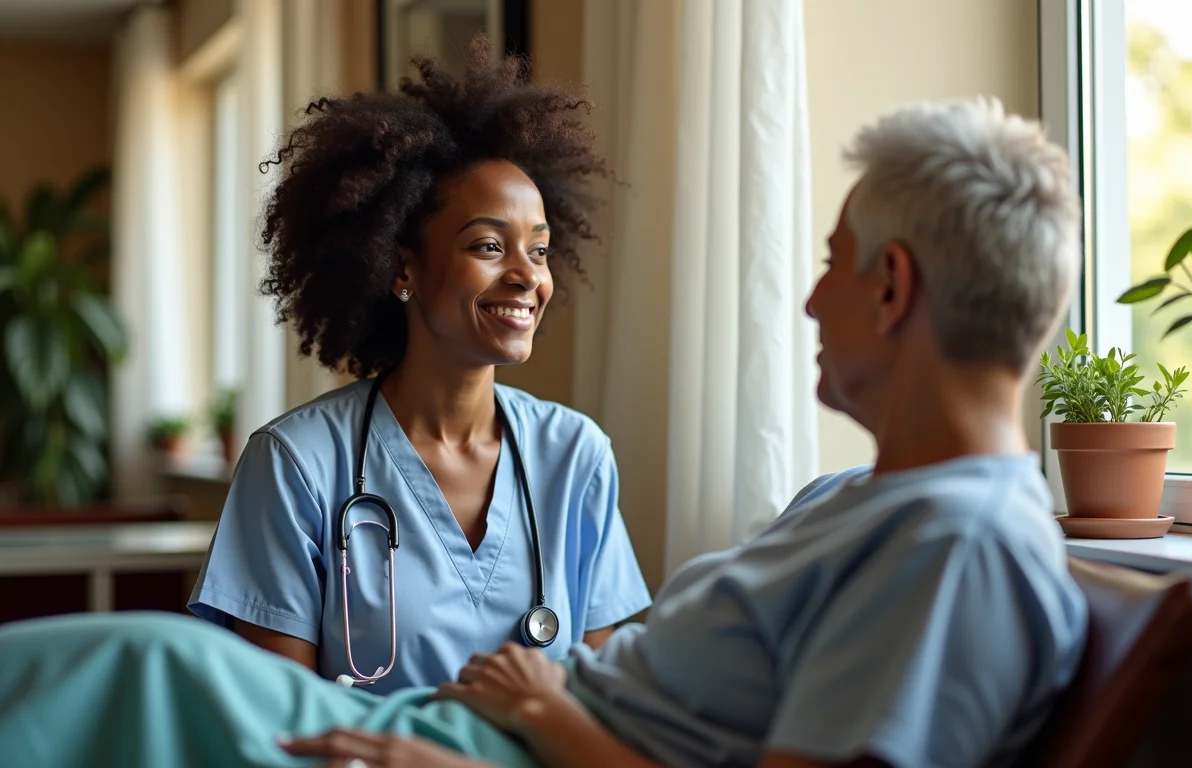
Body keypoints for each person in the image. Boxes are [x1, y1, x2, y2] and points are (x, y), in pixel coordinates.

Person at [0, 96, 1088, 768]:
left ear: (891, 287)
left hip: (443, 749)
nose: (807, 302)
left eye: (829, 265)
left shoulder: (956, 546)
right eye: (488, 246)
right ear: (400, 267)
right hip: (436, 730)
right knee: (131, 665)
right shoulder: (851, 505)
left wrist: (526, 728)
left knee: (125, 668)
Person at [186, 37, 651, 693]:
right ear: (401, 267)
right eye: (488, 246)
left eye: (540, 250)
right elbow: (279, 715)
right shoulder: (297, 465)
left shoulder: (575, 456)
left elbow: (605, 696)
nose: (527, 276)